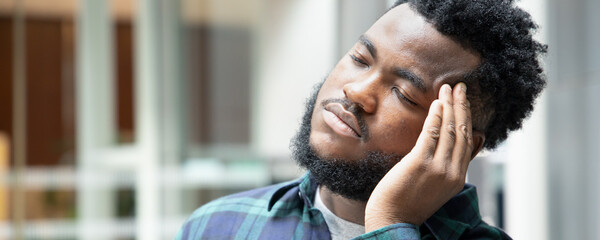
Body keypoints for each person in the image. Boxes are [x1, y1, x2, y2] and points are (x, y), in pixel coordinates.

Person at [176, 0, 546, 239]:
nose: (356, 91)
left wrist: (390, 221)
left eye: (403, 93)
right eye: (360, 59)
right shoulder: (217, 225)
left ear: (460, 140)